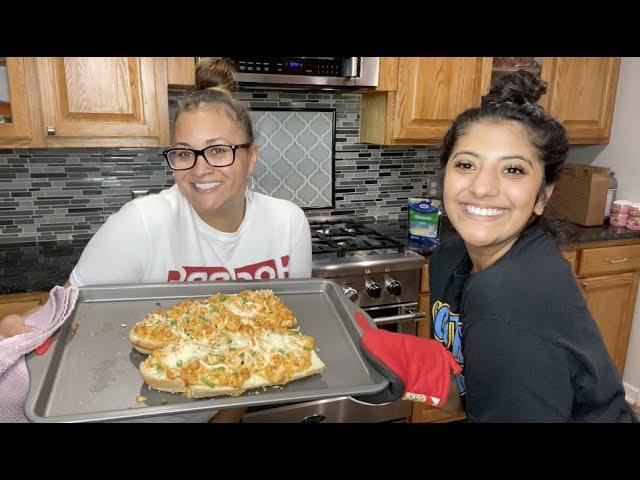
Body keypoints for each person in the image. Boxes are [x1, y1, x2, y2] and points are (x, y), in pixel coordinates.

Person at [1, 58, 312, 423]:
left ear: (251, 157)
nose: (199, 169)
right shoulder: (141, 223)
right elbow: (66, 318)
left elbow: (277, 340)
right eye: (183, 152)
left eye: (217, 150)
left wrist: (226, 416)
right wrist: (13, 330)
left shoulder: (287, 223)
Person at [427, 69, 636, 422]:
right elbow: (467, 396)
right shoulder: (450, 257)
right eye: (466, 164)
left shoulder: (509, 296)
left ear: (543, 195)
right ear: (444, 174)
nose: (482, 187)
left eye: (513, 170)